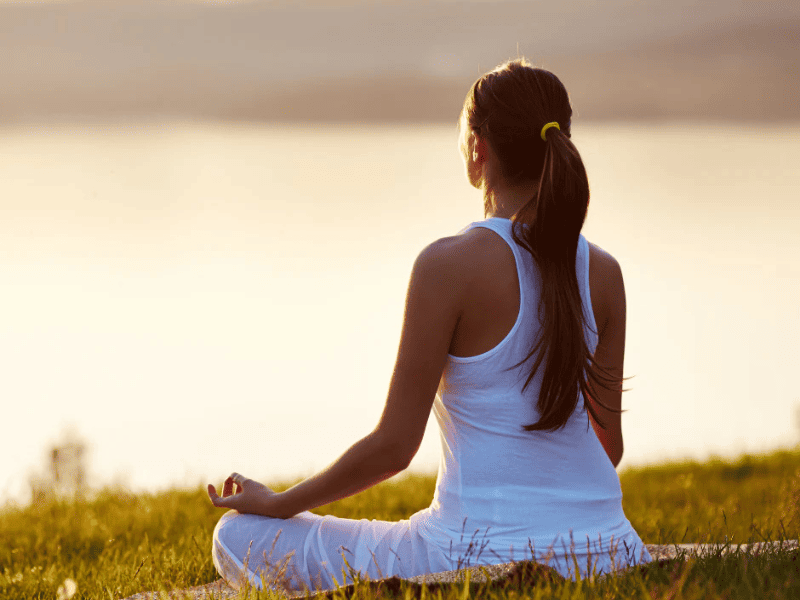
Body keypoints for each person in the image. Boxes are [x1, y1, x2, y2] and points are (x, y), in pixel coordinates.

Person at [207, 57, 654, 594]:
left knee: (236, 536)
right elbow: (609, 448)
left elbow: (395, 448)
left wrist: (279, 503)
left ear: (477, 150)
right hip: (611, 547)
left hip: (471, 553)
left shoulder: (448, 266)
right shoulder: (603, 271)